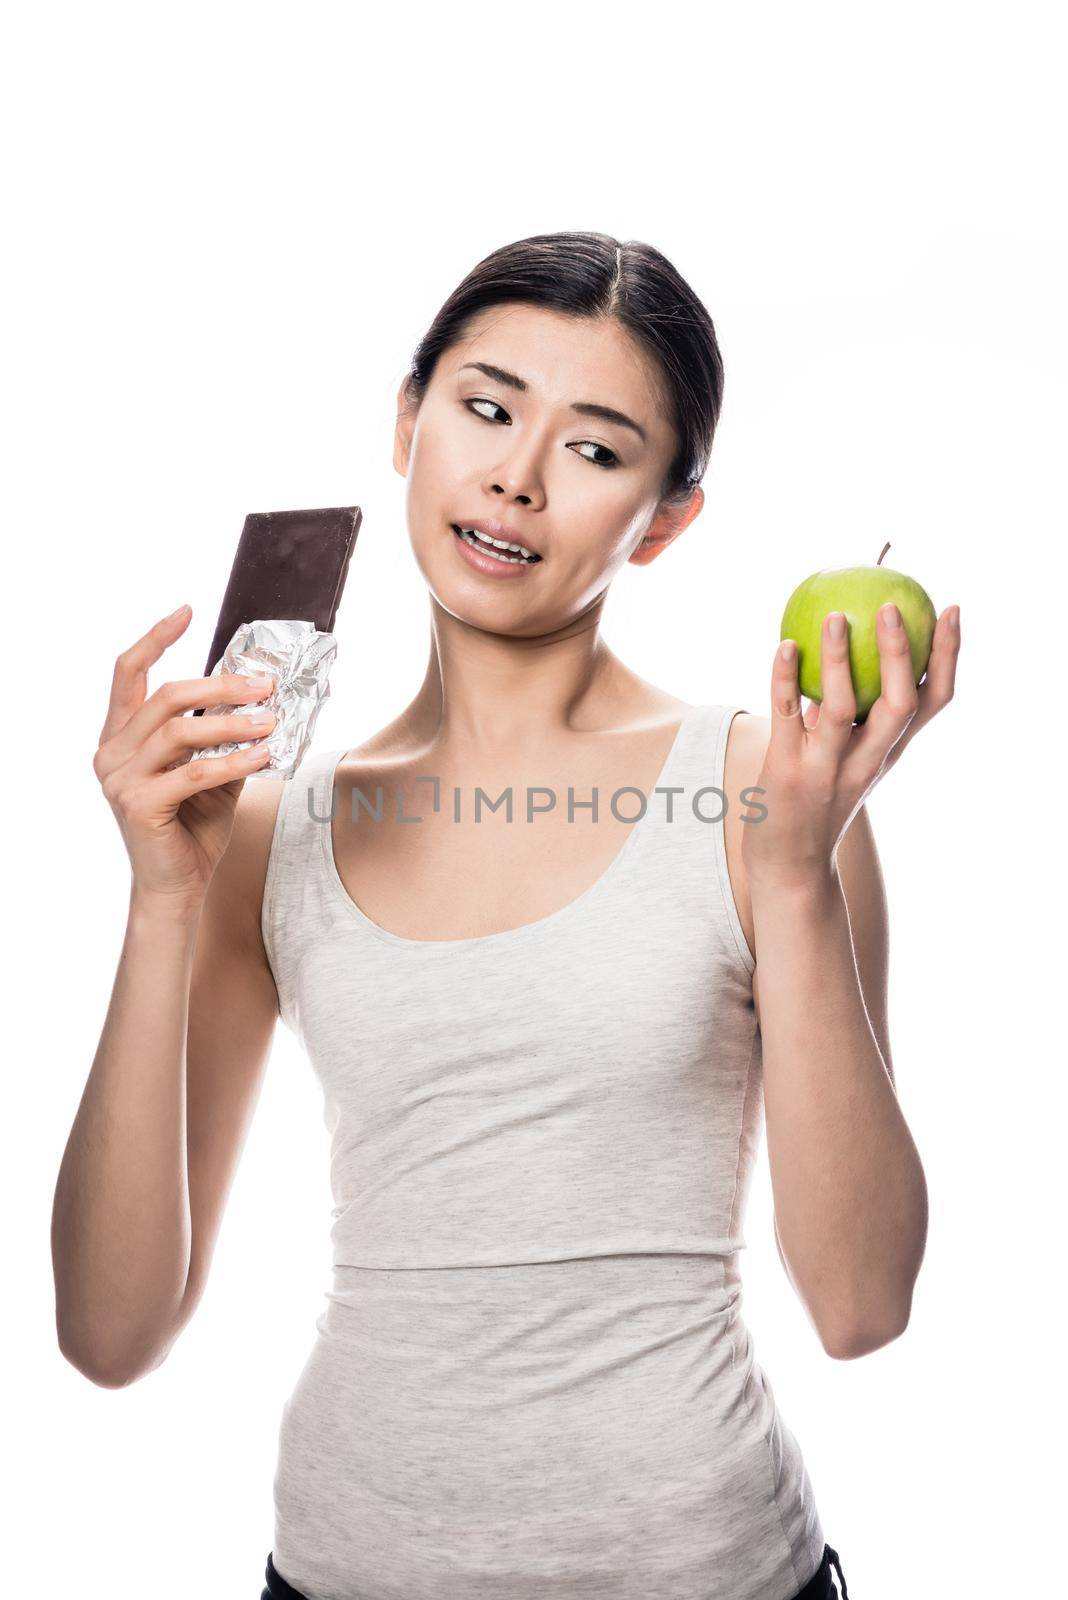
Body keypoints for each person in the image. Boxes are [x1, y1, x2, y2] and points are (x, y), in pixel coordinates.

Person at [54, 230, 959, 1599]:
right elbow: (112, 1334)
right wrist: (160, 903)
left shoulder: (766, 793)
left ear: (664, 519)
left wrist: (793, 877)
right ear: (407, 419)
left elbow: (860, 1307)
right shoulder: (266, 830)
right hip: (343, 1568)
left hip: (705, 1569)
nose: (515, 478)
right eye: (484, 409)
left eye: (596, 451)